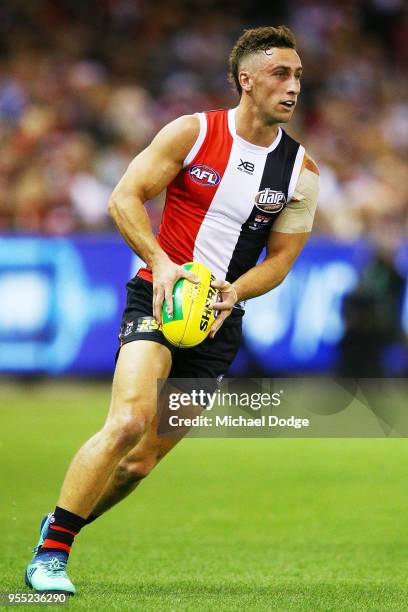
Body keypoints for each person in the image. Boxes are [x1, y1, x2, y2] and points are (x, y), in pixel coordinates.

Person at [25, 25, 320, 594]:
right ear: (247, 79)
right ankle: (52, 556)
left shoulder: (301, 172)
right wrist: (161, 263)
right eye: (281, 74)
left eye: (299, 77)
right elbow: (124, 198)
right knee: (129, 419)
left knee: (139, 464)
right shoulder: (192, 133)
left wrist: (235, 292)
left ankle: (60, 527)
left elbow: (281, 259)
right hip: (158, 298)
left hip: (218, 320)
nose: (293, 87)